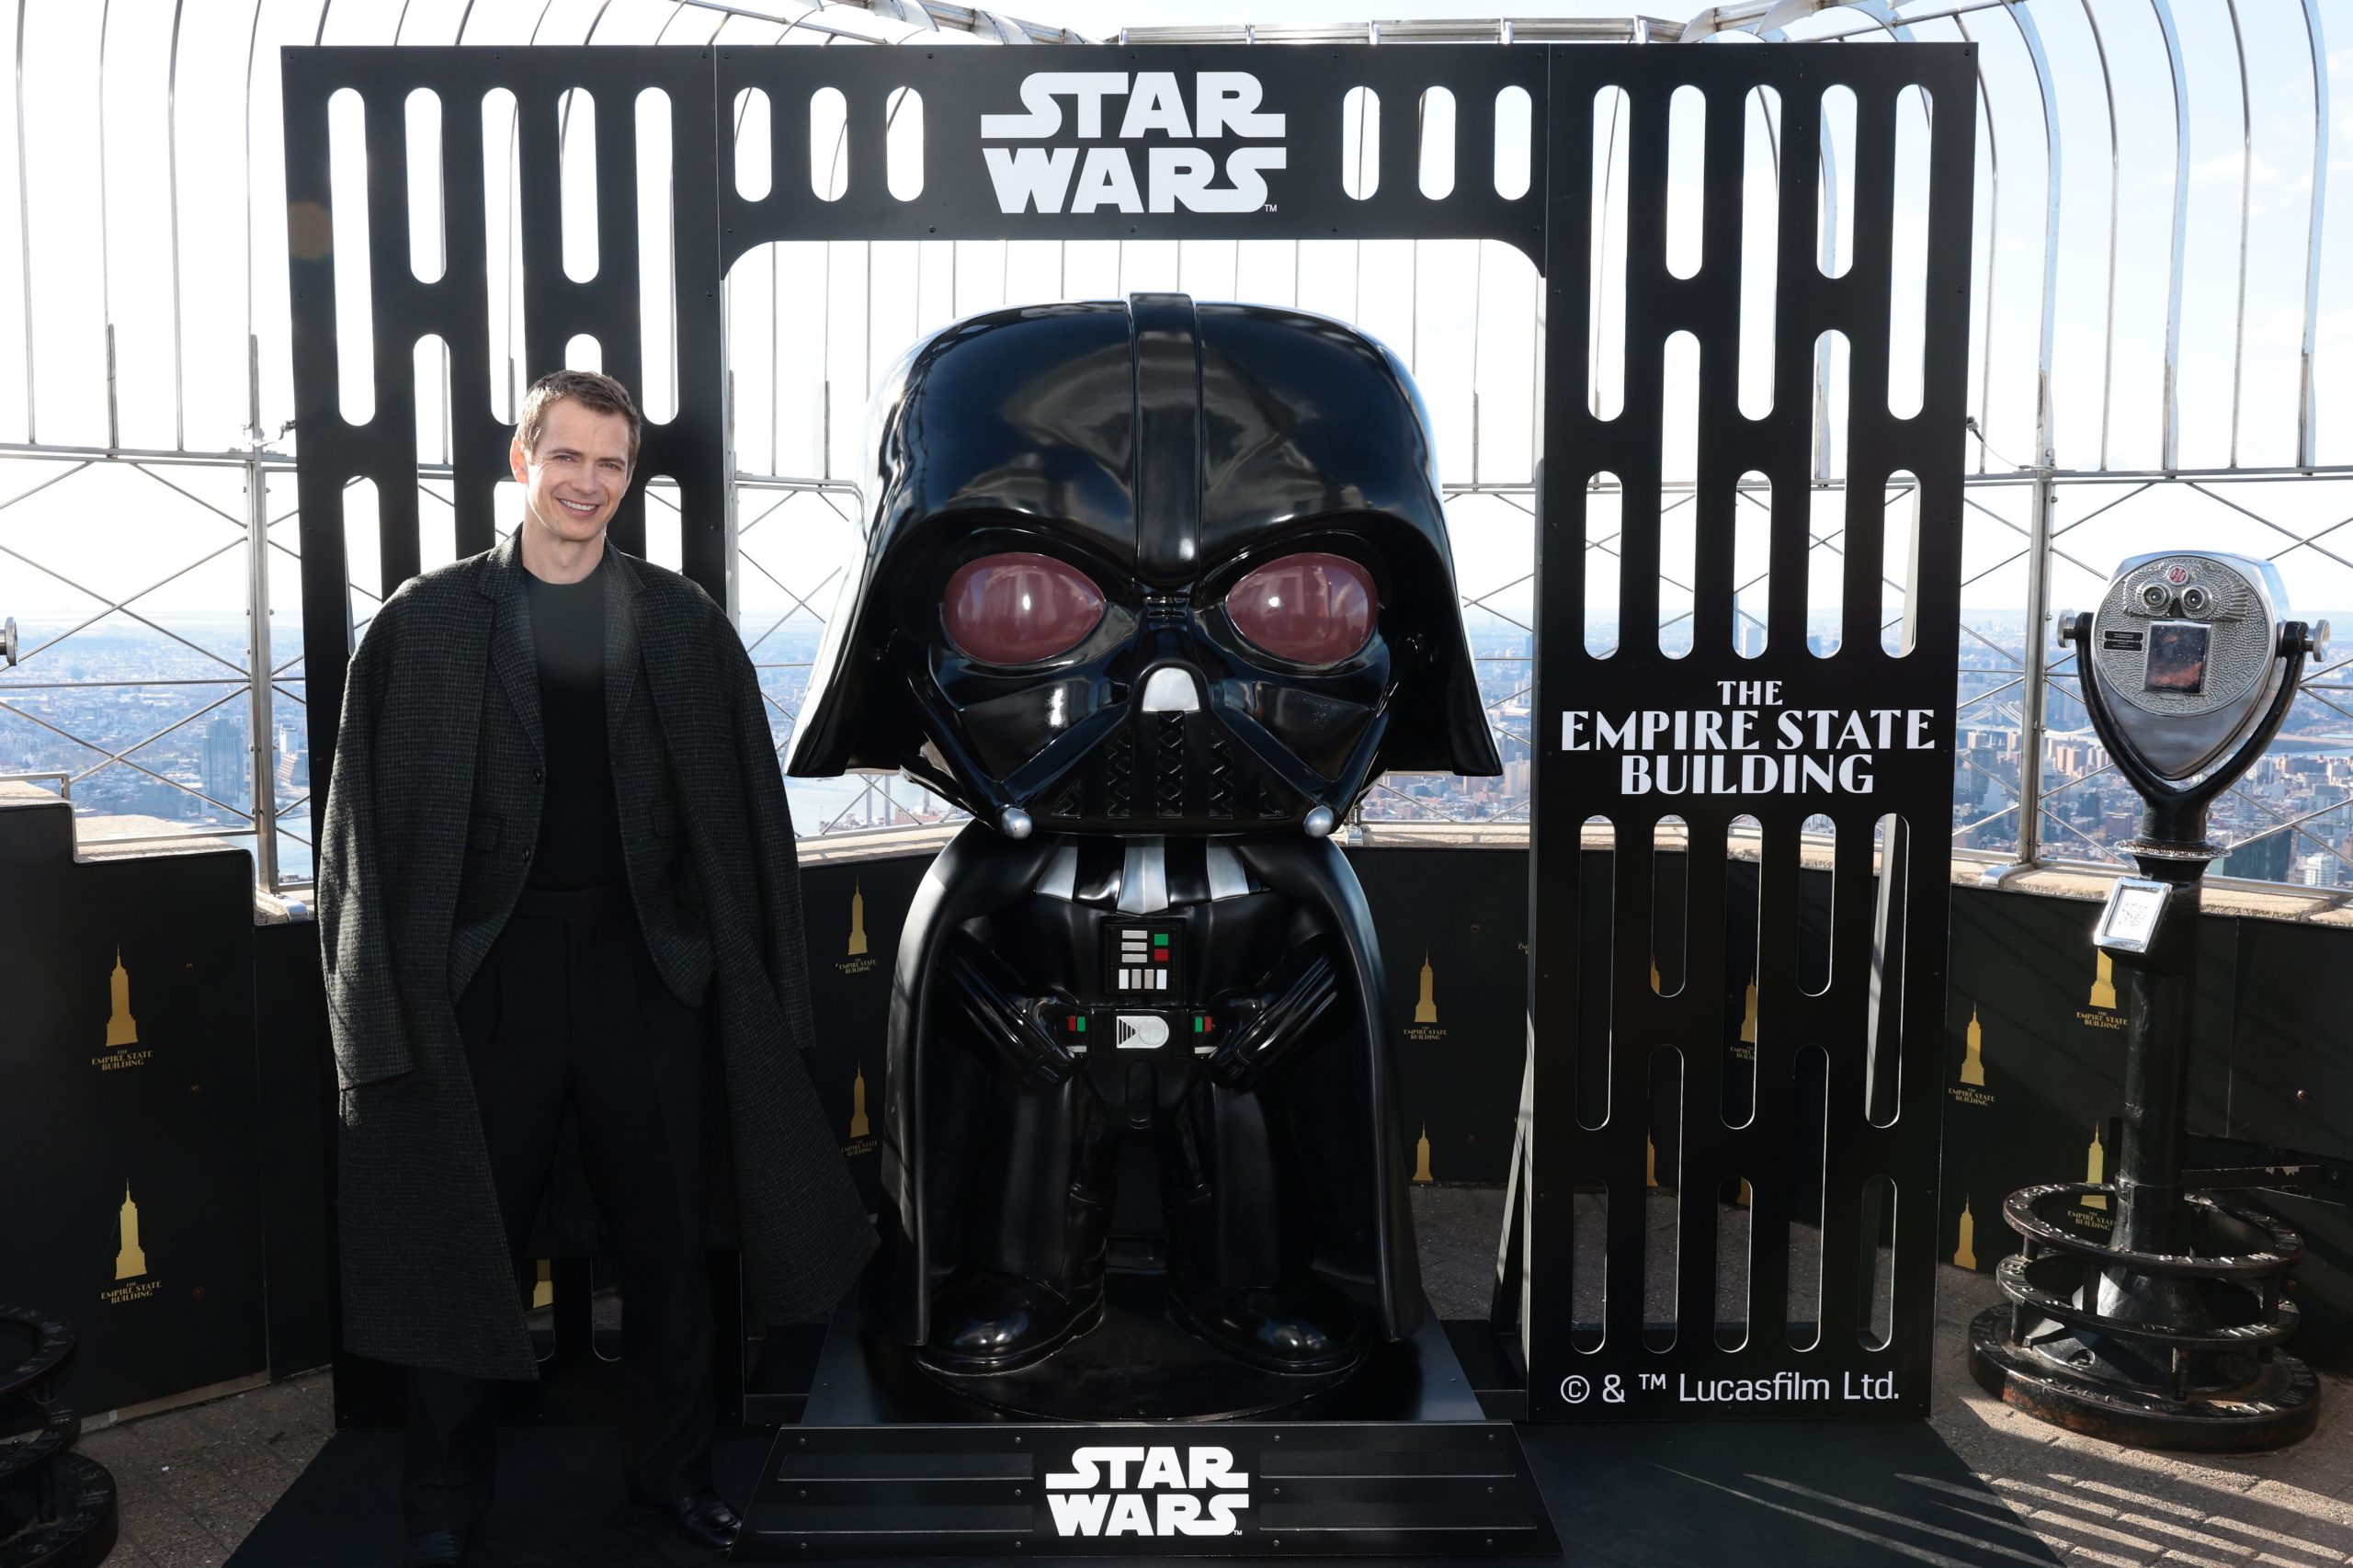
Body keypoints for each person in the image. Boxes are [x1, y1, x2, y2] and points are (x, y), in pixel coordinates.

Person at [319, 369, 875, 1566]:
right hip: (487, 975)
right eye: (566, 456)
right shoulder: (421, 626)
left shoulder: (680, 625)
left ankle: (675, 1476)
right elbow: (358, 837)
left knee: (673, 1245)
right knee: (462, 1236)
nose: (587, 483)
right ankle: (442, 1503)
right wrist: (373, 1010)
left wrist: (751, 986)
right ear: (522, 459)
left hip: (646, 971)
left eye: (611, 463)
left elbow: (747, 822)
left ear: (630, 477)